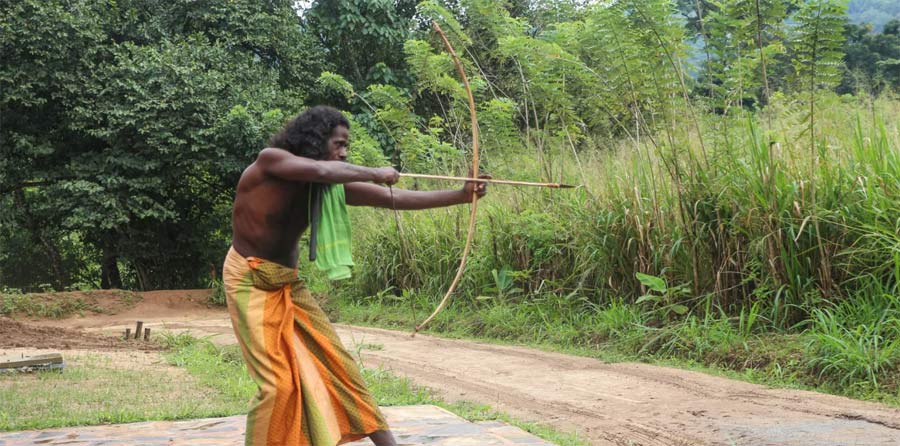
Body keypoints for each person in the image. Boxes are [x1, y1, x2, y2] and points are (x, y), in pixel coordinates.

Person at [222, 105, 487, 446]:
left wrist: (461, 196)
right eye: (338, 143)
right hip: (249, 280)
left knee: (340, 366)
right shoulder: (272, 161)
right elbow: (320, 169)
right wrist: (372, 171)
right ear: (315, 140)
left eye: (347, 145)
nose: (344, 152)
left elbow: (392, 198)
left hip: (287, 282)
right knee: (278, 385)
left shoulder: (326, 187)